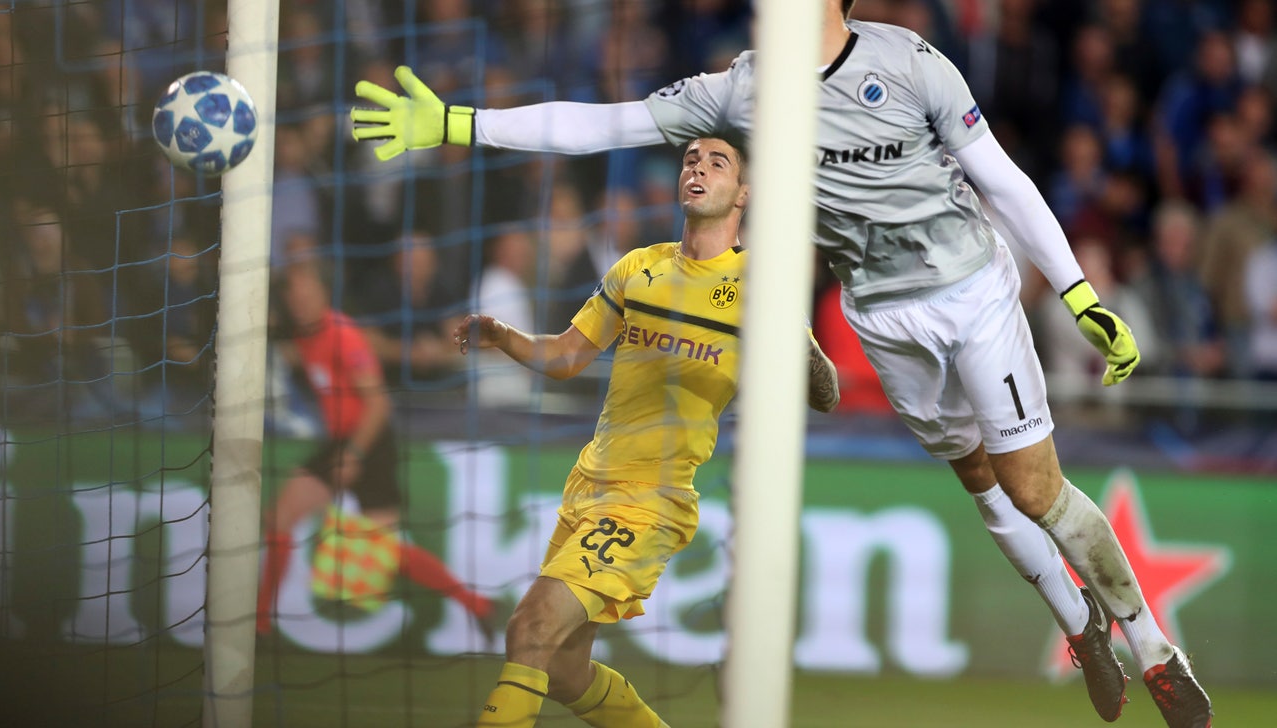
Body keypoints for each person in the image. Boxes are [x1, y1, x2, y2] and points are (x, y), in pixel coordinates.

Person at [349, 3, 1212, 726]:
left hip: (972, 292)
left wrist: (1076, 291)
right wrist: (461, 123)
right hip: (879, 314)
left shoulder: (911, 64)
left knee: (1032, 486)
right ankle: (1080, 625)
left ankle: (1158, 654)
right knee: (980, 479)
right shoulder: (745, 87)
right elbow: (601, 126)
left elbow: (1004, 178)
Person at [453, 137, 840, 727]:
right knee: (560, 670)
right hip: (589, 484)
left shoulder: (761, 282)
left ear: (743, 192)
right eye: (691, 159)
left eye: (718, 163)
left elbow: (826, 394)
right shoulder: (639, 267)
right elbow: (566, 357)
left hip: (652, 500)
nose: (698, 169)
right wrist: (504, 336)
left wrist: (787, 326)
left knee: (530, 628)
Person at [255, 258, 494, 639]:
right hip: (338, 442)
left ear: (323, 294)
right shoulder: (298, 333)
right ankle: (259, 622)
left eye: (307, 292)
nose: (300, 301)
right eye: (293, 294)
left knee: (386, 551)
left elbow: (379, 403)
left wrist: (353, 455)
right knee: (279, 520)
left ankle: (476, 603)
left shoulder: (342, 334)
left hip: (369, 443)